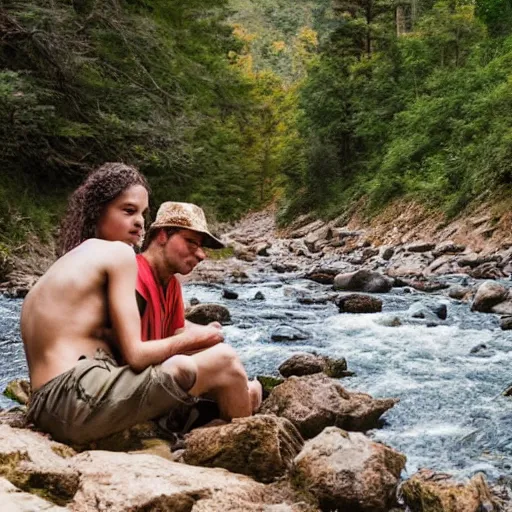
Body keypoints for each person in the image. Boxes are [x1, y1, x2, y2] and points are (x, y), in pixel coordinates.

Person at [21, 164, 259, 445]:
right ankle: (248, 445)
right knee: (223, 360)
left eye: (143, 214)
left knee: (211, 367)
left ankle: (228, 416)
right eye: (128, 210)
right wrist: (197, 338)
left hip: (46, 404)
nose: (139, 223)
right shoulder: (119, 254)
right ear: (99, 210)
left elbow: (160, 334)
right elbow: (135, 354)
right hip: (75, 398)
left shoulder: (73, 260)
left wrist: (193, 336)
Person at [135, 202, 262, 422]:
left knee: (217, 349)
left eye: (200, 246)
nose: (202, 255)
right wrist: (201, 337)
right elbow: (129, 355)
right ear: (163, 235)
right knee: (225, 359)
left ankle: (241, 404)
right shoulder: (133, 275)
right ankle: (245, 431)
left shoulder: (170, 283)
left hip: (148, 378)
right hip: (126, 388)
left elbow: (176, 331)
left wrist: (204, 333)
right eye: (191, 243)